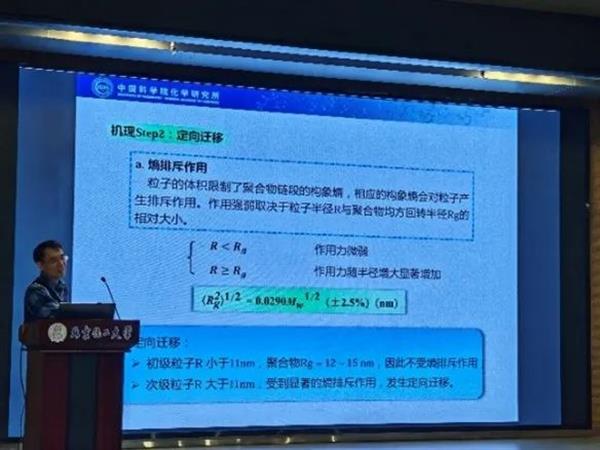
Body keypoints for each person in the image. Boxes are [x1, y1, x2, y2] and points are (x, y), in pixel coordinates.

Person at [24, 240, 70, 322]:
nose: (61, 264)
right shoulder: (36, 290)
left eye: (62, 258)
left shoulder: (62, 286)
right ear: (41, 265)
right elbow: (55, 315)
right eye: (54, 261)